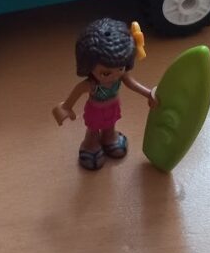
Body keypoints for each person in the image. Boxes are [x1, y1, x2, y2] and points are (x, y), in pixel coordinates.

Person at [52, 19, 157, 171]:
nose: (115, 76)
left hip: (113, 107)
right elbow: (77, 91)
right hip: (95, 110)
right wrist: (66, 108)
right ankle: (90, 145)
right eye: (106, 73)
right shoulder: (91, 84)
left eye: (120, 69)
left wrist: (148, 94)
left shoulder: (121, 76)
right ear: (88, 67)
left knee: (110, 125)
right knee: (93, 130)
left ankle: (110, 138)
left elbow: (132, 83)